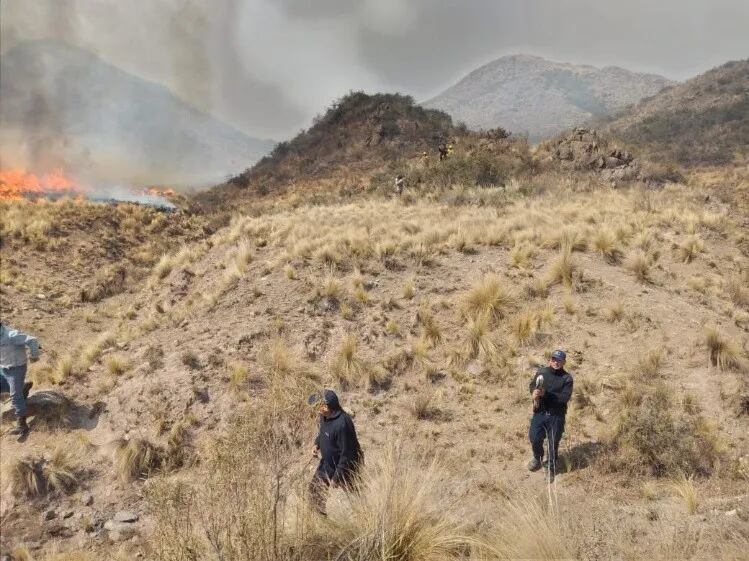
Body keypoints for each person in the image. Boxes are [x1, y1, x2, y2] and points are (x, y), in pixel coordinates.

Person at [307, 389, 363, 515]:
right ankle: (321, 521)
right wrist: (317, 444)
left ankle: (362, 519)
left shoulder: (343, 424)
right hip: (328, 464)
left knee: (353, 498)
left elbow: (348, 454)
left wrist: (337, 477)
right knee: (315, 491)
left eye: (318, 405)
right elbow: (323, 432)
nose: (316, 408)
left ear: (327, 407)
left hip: (347, 467)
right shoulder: (324, 416)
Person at [527, 350, 573, 479]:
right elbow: (532, 385)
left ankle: (551, 468)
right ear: (550, 360)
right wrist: (533, 392)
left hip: (556, 416)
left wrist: (545, 394)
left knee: (553, 444)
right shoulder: (542, 372)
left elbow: (564, 398)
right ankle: (538, 457)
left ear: (564, 362)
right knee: (534, 438)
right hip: (540, 412)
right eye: (554, 359)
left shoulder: (567, 378)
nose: (556, 362)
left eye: (559, 360)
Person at [0, 322, 40, 436]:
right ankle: (22, 388)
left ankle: (21, 424)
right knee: (14, 389)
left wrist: (34, 355)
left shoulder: (11, 335)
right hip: (3, 368)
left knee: (15, 394)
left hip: (16, 369)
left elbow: (32, 340)